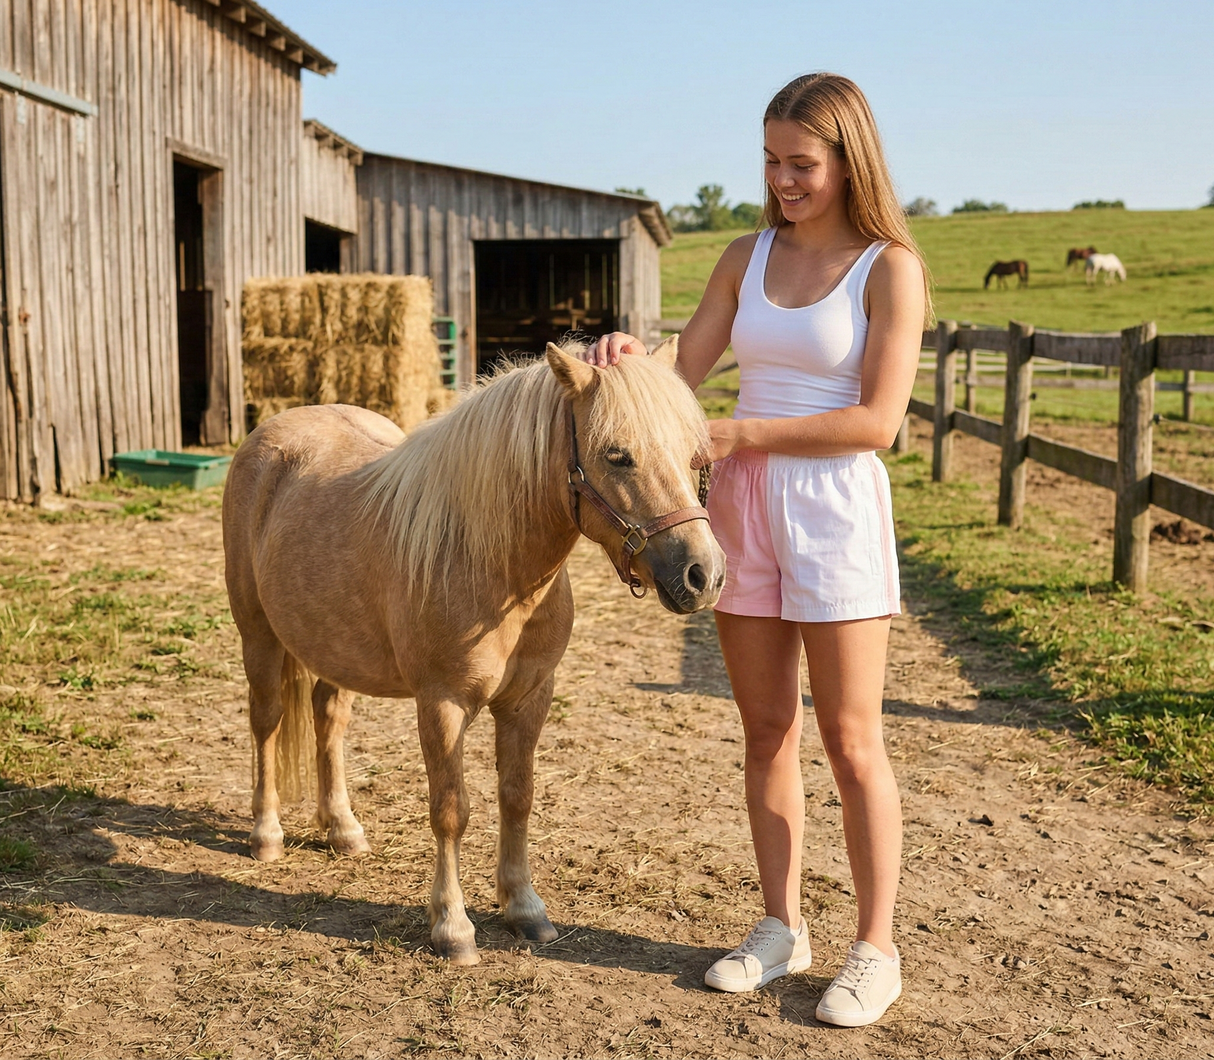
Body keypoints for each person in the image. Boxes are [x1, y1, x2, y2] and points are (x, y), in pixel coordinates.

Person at [580, 72, 928, 1027]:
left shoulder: (888, 267)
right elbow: (680, 371)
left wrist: (741, 435)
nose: (782, 179)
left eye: (801, 163)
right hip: (739, 506)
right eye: (771, 160)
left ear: (849, 158)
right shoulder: (745, 255)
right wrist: (625, 354)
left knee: (853, 742)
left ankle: (875, 948)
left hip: (833, 506)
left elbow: (879, 422)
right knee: (767, 730)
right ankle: (780, 927)